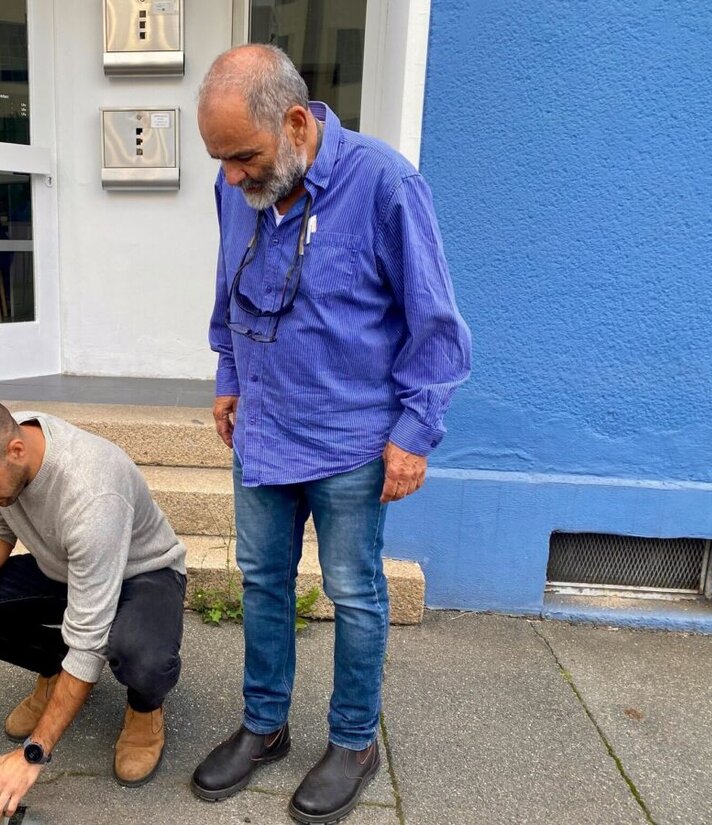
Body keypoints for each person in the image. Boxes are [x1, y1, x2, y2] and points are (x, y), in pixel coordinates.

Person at [190, 45, 472, 824]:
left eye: (243, 157)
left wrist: (416, 431)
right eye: (221, 162)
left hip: (352, 440)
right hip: (263, 430)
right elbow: (228, 279)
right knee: (264, 582)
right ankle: (264, 725)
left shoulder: (384, 182)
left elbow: (437, 324)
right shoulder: (237, 181)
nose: (234, 177)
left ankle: (354, 740)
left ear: (294, 122)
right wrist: (228, 376)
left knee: (353, 591)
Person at [0, 397, 187, 822]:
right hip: (63, 568)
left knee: (140, 657)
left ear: (15, 452)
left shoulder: (93, 493)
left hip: (142, 573)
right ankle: (53, 670)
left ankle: (144, 710)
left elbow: (88, 639)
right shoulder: (5, 447)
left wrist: (33, 754)